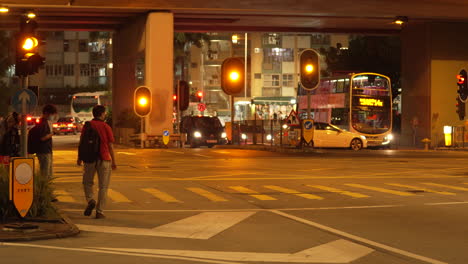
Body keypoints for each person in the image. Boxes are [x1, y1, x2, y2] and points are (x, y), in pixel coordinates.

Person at [78, 105, 116, 219]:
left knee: (87, 182)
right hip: (104, 159)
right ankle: (100, 211)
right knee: (103, 186)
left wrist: (79, 157)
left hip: (89, 158)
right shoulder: (106, 126)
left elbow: (82, 142)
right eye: (104, 113)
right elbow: (110, 145)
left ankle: (90, 200)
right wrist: (114, 161)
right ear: (101, 114)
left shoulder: (88, 125)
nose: (105, 115)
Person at [36, 104, 57, 179]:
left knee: (48, 173)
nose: (53, 116)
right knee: (45, 173)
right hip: (43, 151)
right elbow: (42, 138)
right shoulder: (42, 123)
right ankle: (43, 188)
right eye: (52, 114)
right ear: (47, 113)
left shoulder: (46, 122)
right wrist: (52, 133)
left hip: (47, 150)